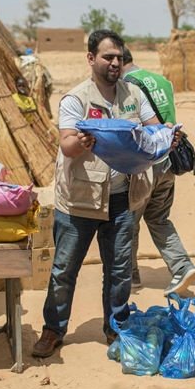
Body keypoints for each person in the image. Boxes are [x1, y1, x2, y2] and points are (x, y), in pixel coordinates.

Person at [32, 29, 159, 359]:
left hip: (122, 198)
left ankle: (115, 327)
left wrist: (163, 135)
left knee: (118, 270)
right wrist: (83, 141)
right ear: (91, 59)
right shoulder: (76, 99)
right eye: (108, 57)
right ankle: (53, 330)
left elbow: (154, 126)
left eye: (119, 57)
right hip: (80, 201)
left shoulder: (134, 93)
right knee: (64, 269)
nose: (115, 63)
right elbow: (67, 145)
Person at [121, 47, 195, 295]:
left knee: (129, 221)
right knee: (158, 217)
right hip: (168, 159)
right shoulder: (162, 81)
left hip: (145, 164)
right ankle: (181, 266)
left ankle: (130, 276)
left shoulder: (127, 84)